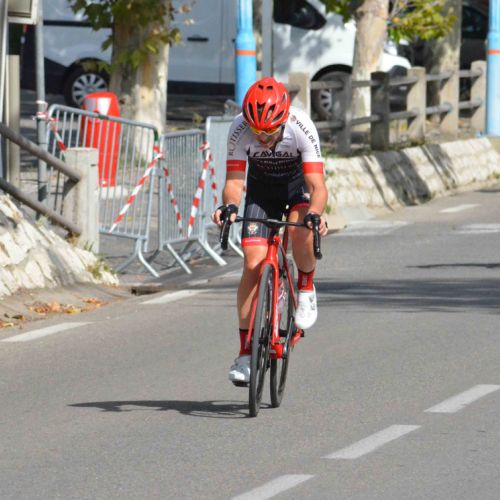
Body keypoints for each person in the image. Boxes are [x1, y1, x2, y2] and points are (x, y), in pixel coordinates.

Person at [212, 77, 328, 385]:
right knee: (252, 263)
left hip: (297, 188)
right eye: (257, 132)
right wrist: (229, 206)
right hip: (261, 192)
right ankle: (245, 354)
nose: (262, 138)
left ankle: (305, 286)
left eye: (270, 132)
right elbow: (234, 182)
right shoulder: (239, 128)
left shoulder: (301, 126)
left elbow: (317, 186)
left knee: (302, 230)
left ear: (284, 119)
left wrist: (315, 214)